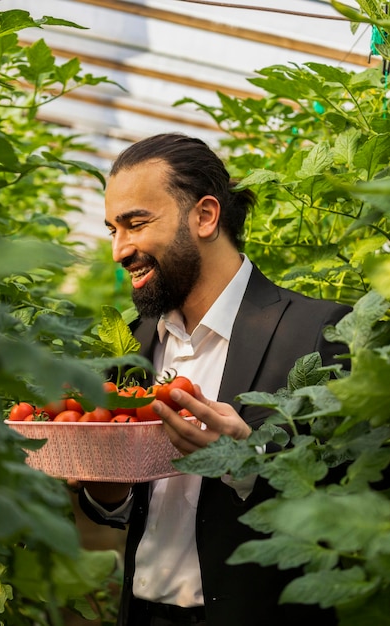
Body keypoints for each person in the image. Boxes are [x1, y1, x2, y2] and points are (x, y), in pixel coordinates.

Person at [78, 133, 351, 626]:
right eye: (112, 229)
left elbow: (353, 501)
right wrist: (109, 489)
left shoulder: (319, 332)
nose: (120, 250)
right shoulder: (134, 343)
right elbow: (124, 508)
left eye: (136, 223)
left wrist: (246, 462)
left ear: (205, 216)